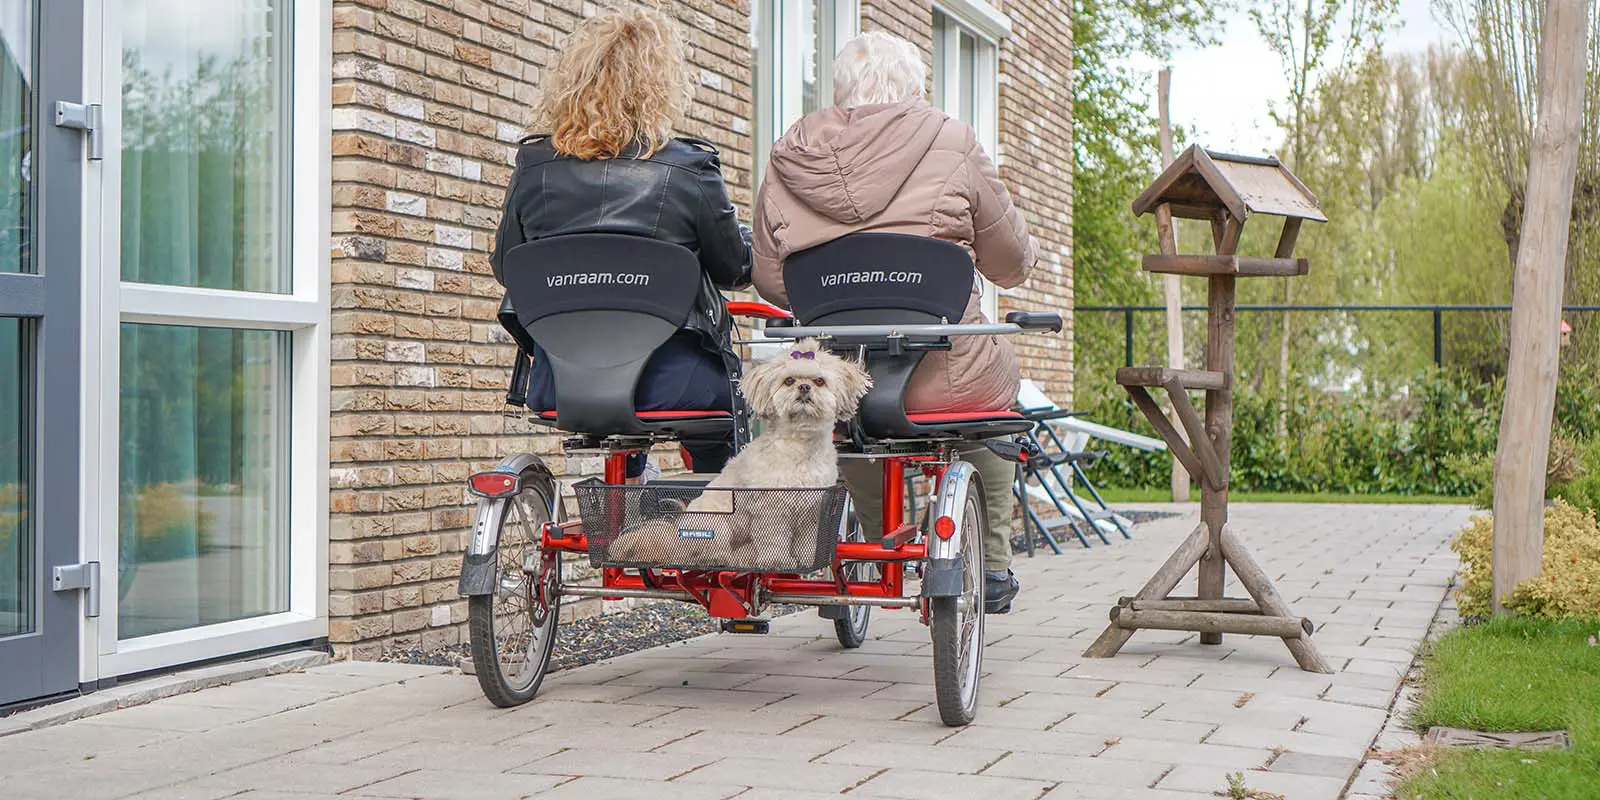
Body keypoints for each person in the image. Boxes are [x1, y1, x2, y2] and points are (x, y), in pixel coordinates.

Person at [751, 31, 1040, 613]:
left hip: (844, 372)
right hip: (943, 372)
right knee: (995, 399)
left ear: (838, 95)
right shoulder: (952, 141)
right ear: (912, 91)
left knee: (844, 412)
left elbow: (774, 283)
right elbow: (1010, 264)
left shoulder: (789, 157)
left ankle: (861, 543)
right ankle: (996, 563)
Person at [490, 9, 751, 480]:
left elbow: (508, 265)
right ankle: (718, 520)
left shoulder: (533, 167)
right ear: (662, 84)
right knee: (730, 420)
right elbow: (733, 267)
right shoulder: (689, 169)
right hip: (675, 384)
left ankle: (624, 502)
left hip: (562, 384)